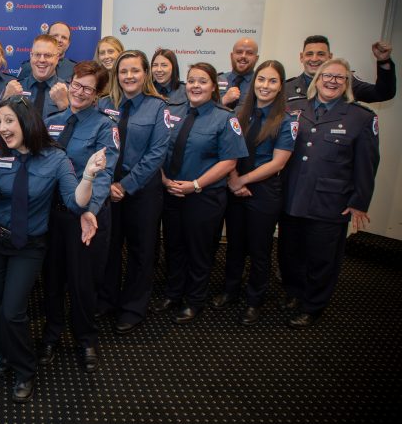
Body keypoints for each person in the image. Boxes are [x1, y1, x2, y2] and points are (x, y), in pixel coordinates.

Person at [0, 95, 106, 403]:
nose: (2, 128)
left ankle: (25, 369)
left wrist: (89, 176)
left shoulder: (55, 158)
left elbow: (75, 201)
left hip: (29, 245)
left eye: (9, 121)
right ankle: (7, 352)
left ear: (27, 122)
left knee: (12, 310)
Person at [278, 59, 379, 328]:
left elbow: (367, 165)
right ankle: (294, 292)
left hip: (330, 202)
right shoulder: (295, 108)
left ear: (347, 83)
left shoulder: (360, 117)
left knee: (322, 257)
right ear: (317, 78)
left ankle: (313, 304)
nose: (332, 81)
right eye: (327, 76)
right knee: (290, 251)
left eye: (339, 77)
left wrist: (359, 202)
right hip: (292, 196)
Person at [38, 61, 118, 373]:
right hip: (53, 218)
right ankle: (52, 333)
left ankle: (86, 338)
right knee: (53, 279)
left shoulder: (104, 126)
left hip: (86, 218)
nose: (78, 91)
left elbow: (104, 173)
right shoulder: (53, 121)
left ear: (98, 94)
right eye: (75, 84)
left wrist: (89, 212)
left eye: (87, 88)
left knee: (84, 283)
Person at [155, 62, 248, 324]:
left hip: (203, 196)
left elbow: (229, 162)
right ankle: (173, 293)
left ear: (213, 87)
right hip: (171, 191)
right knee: (173, 246)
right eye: (192, 80)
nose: (196, 86)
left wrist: (196, 184)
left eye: (203, 81)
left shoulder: (225, 117)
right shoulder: (172, 112)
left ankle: (194, 300)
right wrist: (163, 179)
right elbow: (159, 147)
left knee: (199, 250)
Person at [211, 61, 296, 325]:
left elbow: (278, 163)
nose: (265, 86)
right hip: (236, 187)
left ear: (281, 85)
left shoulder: (286, 120)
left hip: (264, 193)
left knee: (260, 250)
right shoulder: (239, 113)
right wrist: (234, 178)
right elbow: (229, 149)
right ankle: (230, 290)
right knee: (235, 245)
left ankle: (254, 300)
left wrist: (241, 180)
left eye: (272, 81)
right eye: (261, 80)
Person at [96, 50, 170, 334]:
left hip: (141, 191)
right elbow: (96, 144)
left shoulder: (158, 107)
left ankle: (133, 308)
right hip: (106, 188)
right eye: (123, 71)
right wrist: (107, 184)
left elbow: (156, 154)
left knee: (142, 250)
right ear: (116, 75)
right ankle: (107, 300)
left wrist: (125, 186)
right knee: (109, 247)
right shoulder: (103, 104)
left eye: (135, 71)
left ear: (145, 74)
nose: (129, 76)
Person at [285, 36, 395, 102]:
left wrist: (384, 61)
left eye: (321, 54)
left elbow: (383, 93)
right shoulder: (286, 88)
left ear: (330, 57)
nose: (314, 59)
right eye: (309, 54)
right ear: (301, 57)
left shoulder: (347, 82)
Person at [18, 35, 69, 120]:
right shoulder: (16, 88)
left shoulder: (69, 91)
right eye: (37, 54)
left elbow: (78, 129)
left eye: (48, 55)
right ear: (31, 56)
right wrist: (5, 99)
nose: (42, 60)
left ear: (57, 58)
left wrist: (65, 106)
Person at [218, 37, 260, 108]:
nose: (243, 56)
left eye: (249, 53)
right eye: (239, 52)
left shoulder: (261, 84)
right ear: (231, 56)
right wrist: (223, 100)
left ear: (256, 58)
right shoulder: (218, 80)